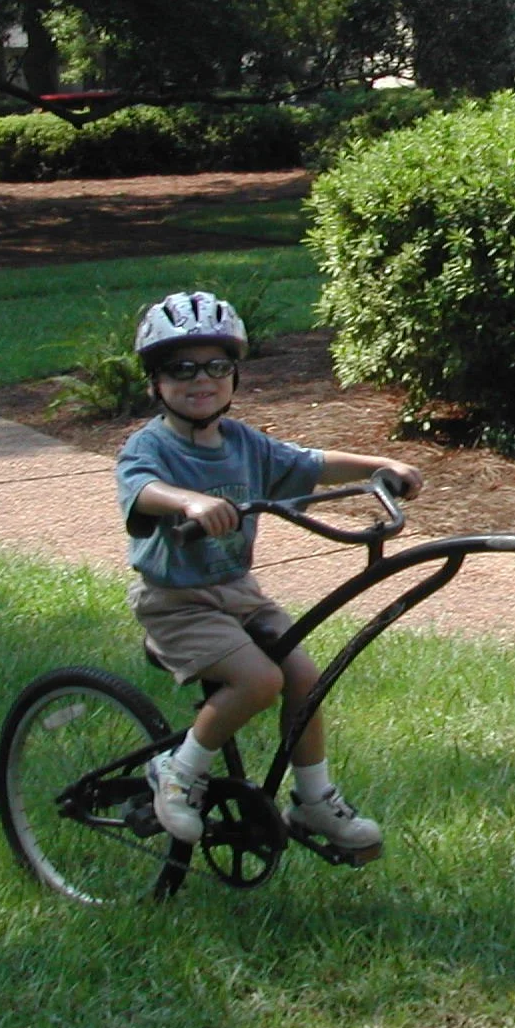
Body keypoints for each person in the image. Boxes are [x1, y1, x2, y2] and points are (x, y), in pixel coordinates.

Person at [117, 290, 424, 858]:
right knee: (258, 681)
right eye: (181, 369)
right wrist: (187, 502)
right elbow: (142, 488)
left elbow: (310, 462)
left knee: (304, 676)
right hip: (176, 603)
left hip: (239, 594)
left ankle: (313, 800)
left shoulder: (243, 443)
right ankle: (176, 771)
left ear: (234, 375)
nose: (201, 380)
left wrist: (379, 465)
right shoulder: (150, 446)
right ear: (155, 382)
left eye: (216, 367)